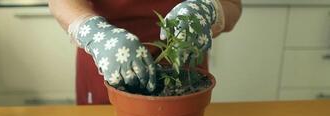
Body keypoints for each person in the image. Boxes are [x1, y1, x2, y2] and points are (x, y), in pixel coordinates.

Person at [49, 0, 242, 105]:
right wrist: (95, 32)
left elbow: (233, 5)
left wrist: (208, 9)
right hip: (107, 53)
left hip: (181, 57)